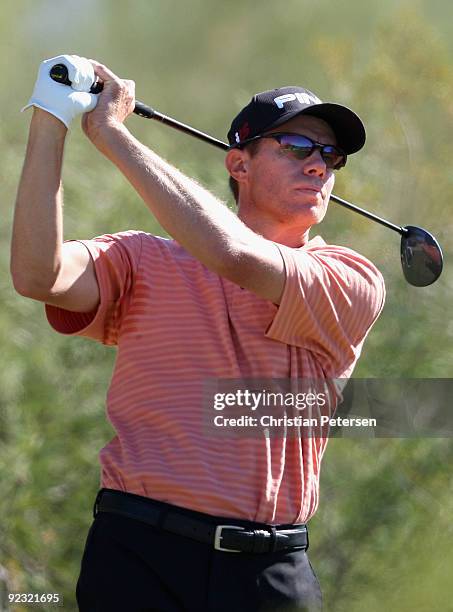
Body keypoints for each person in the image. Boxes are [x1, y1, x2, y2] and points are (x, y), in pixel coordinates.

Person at [11, 55, 385, 611]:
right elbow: (37, 274)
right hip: (139, 552)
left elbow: (232, 254)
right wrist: (51, 117)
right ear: (239, 164)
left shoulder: (351, 278)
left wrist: (112, 134)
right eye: (298, 148)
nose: (319, 166)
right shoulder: (140, 258)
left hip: (268, 572)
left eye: (331, 156)